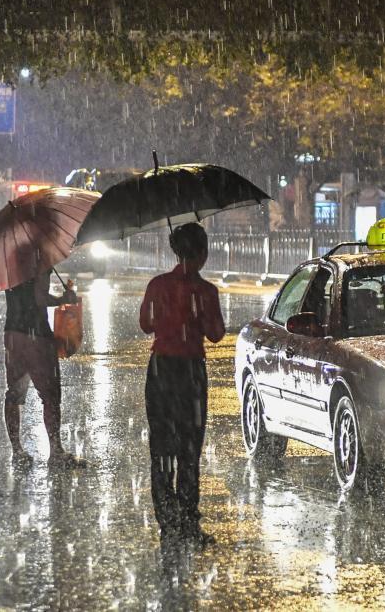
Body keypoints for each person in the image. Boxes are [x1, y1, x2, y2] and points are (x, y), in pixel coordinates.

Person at [139, 223, 225, 547]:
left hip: (160, 370)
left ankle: (168, 520)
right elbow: (216, 334)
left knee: (162, 449)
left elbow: (145, 324)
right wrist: (197, 315)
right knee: (189, 450)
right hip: (190, 373)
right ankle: (188, 521)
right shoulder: (206, 291)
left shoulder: (157, 285)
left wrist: (167, 316)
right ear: (202, 254)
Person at [4, 268, 80, 467]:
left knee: (14, 393)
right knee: (50, 396)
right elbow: (39, 298)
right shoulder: (39, 259)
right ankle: (55, 452)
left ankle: (17, 451)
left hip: (13, 334)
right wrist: (64, 299)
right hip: (36, 335)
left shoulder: (9, 262)